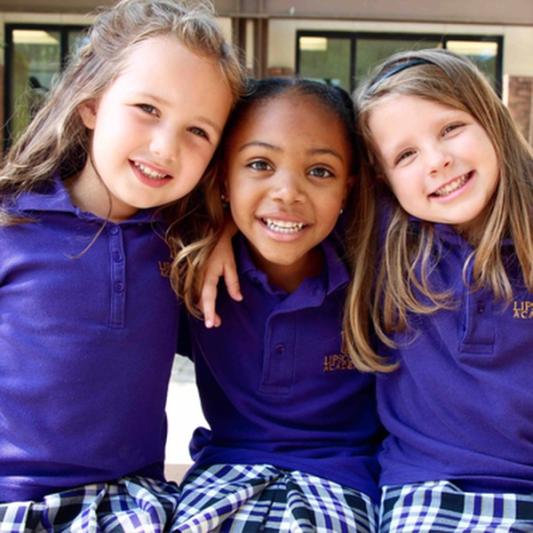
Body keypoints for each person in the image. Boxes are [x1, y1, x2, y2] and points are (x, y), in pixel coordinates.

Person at [0, 0, 242, 529]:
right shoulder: (9, 227)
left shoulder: (182, 247)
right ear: (92, 102)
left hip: (132, 504)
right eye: (148, 109)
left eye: (198, 131)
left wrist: (226, 228)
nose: (165, 147)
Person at [173, 78, 382, 533]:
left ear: (348, 187)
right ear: (223, 177)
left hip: (344, 480)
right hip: (225, 472)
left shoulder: (378, 269)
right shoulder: (191, 268)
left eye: (320, 171)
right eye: (261, 164)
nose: (288, 192)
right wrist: (219, 227)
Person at [343, 48, 533, 531]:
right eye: (406, 155)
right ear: (383, 180)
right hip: (429, 489)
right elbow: (280, 215)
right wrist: (218, 233)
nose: (438, 161)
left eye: (450, 129)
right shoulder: (382, 238)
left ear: (491, 120)